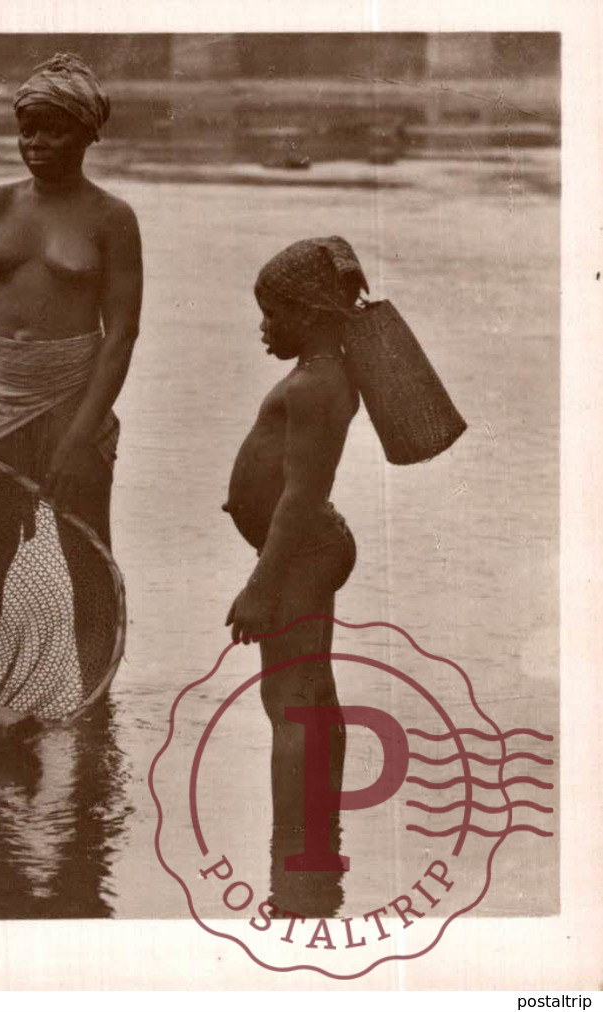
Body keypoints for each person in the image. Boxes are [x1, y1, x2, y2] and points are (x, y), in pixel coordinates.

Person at [0, 53, 143, 694]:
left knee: (86, 560)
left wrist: (79, 437)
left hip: (73, 401)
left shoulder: (111, 218)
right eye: (27, 128)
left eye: (53, 129)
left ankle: (93, 709)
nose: (36, 143)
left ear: (86, 134)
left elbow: (121, 333)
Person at [224, 236, 366, 915]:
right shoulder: (323, 372)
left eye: (272, 313)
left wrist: (261, 584)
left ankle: (291, 857)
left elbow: (299, 496)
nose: (263, 327)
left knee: (288, 704)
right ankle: (317, 838)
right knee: (312, 696)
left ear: (308, 315)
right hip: (307, 549)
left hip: (301, 552)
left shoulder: (314, 386)